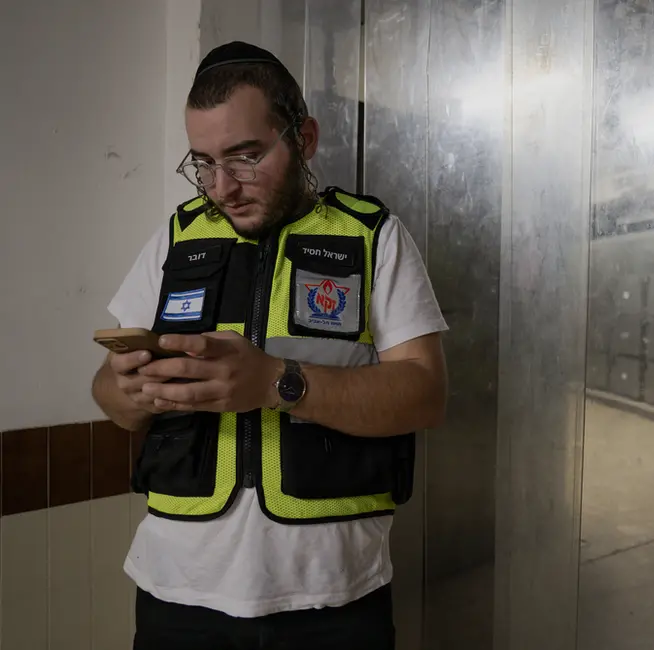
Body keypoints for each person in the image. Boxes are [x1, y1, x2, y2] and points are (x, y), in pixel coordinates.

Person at [91, 41, 448, 650]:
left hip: (334, 600)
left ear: (303, 139)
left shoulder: (372, 238)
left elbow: (425, 394)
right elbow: (110, 395)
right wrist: (127, 390)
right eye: (202, 162)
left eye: (246, 156)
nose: (222, 187)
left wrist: (276, 384)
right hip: (177, 595)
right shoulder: (176, 240)